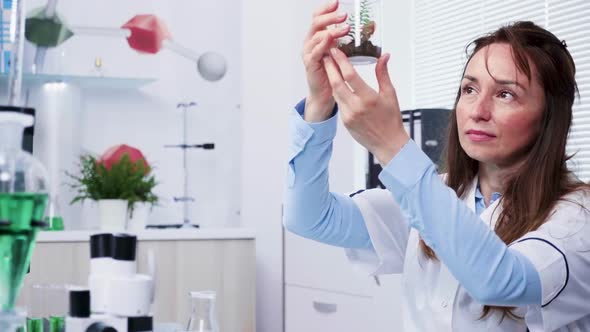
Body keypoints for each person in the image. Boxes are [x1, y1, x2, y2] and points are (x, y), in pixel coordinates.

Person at [283, 1, 590, 331]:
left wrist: (391, 146)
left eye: (505, 94)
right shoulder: (438, 196)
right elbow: (309, 217)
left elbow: (500, 280)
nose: (477, 110)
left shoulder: (576, 217)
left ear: (549, 117)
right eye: (469, 89)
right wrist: (320, 101)